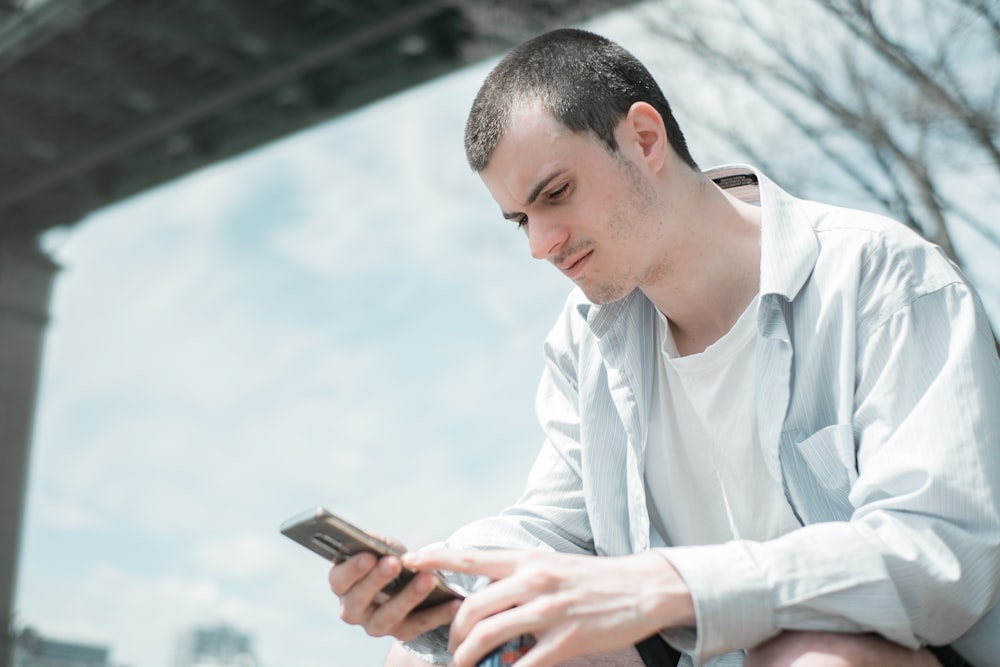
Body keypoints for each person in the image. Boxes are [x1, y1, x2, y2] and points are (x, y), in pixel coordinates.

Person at [327, 28, 1000, 667]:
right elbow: (560, 529)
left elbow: (940, 555)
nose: (541, 244)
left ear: (645, 137)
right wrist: (434, 576)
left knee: (809, 656)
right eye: (521, 220)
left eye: (556, 194)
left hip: (887, 652)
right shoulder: (586, 338)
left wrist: (673, 584)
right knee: (455, 649)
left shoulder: (881, 277)